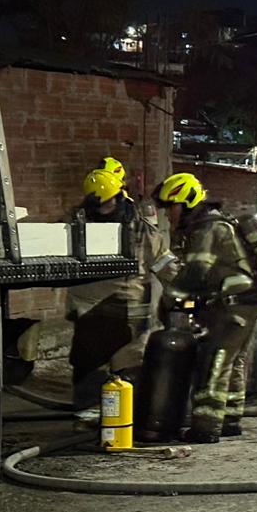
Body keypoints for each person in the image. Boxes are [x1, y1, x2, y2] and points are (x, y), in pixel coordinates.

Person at [154, 172, 257, 443]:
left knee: (213, 362)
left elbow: (195, 273)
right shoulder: (214, 224)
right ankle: (229, 419)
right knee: (232, 361)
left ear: (186, 203)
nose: (169, 215)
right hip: (246, 303)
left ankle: (206, 426)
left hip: (233, 306)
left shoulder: (208, 229)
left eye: (171, 207)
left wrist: (169, 299)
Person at [67, 166, 168, 408]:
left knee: (117, 369)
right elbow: (162, 259)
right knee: (101, 369)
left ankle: (110, 421)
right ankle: (108, 421)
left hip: (110, 311)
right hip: (109, 310)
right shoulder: (138, 223)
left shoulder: (77, 220)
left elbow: (162, 260)